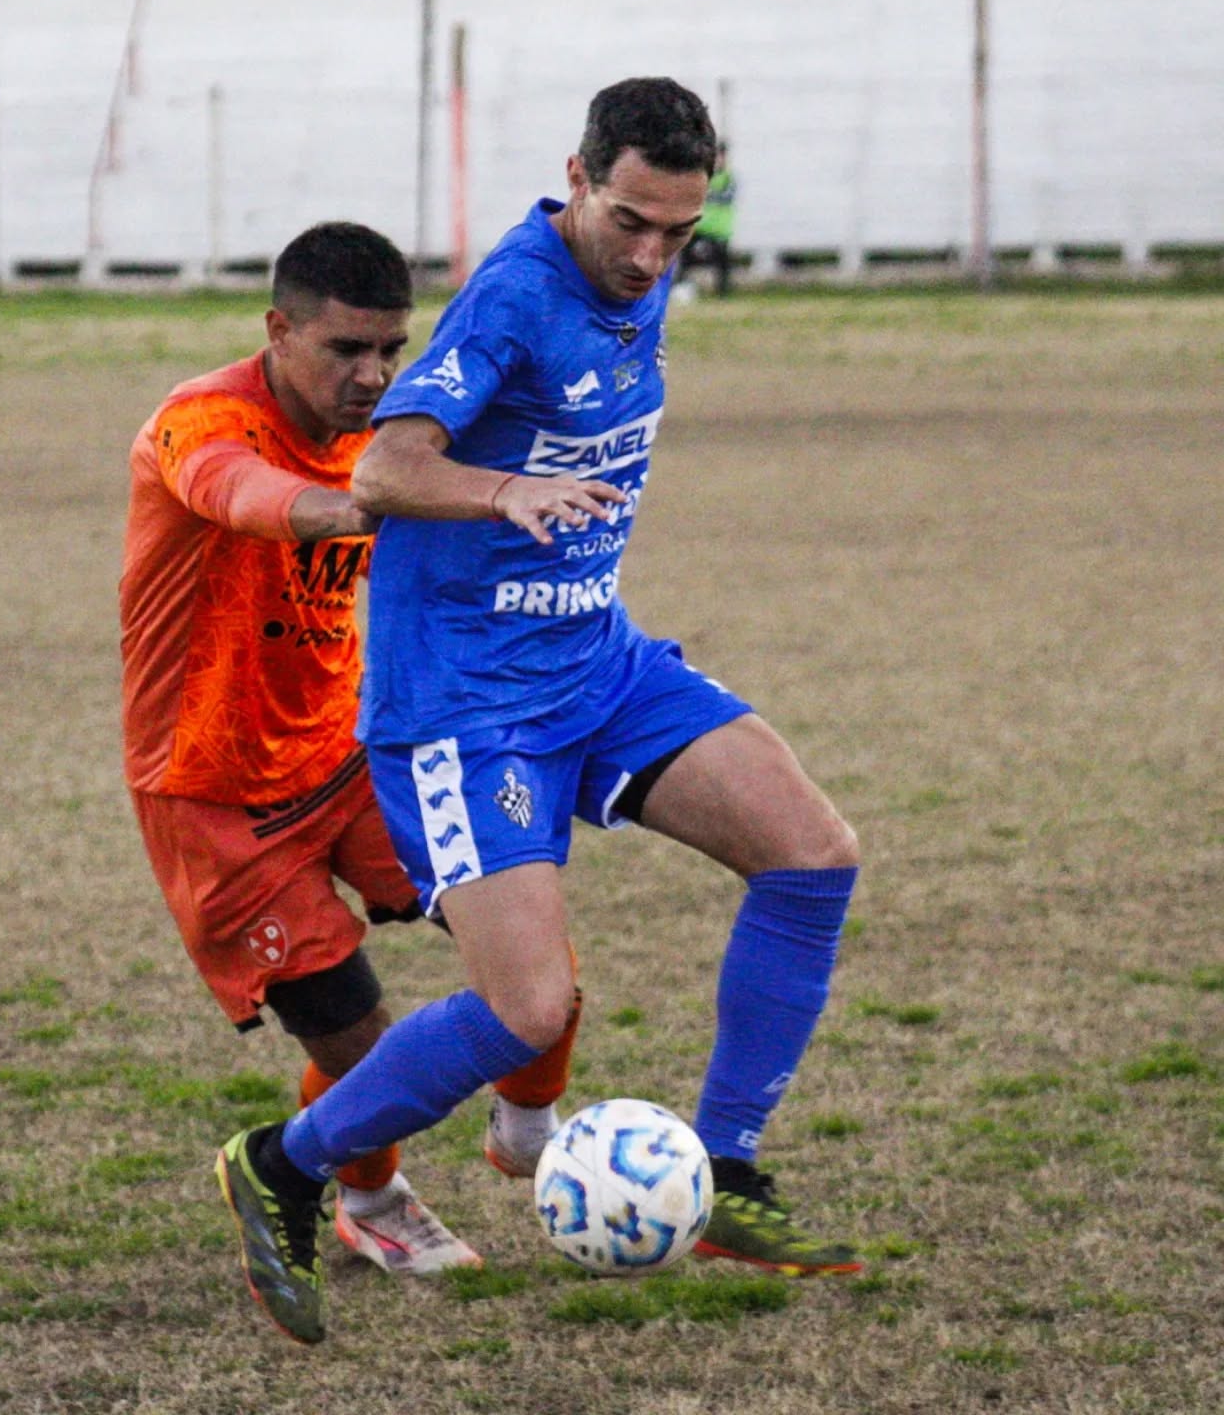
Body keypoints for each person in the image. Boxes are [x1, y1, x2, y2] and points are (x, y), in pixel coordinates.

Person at [224, 80, 862, 1346]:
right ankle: (285, 1166)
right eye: (629, 219)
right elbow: (387, 467)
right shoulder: (517, 293)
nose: (648, 256)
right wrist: (507, 488)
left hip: (598, 665)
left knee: (812, 855)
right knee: (526, 1012)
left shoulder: (646, 265)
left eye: (678, 232)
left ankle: (724, 1170)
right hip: (469, 708)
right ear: (576, 175)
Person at [119, 222, 583, 1335]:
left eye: (391, 349)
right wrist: (358, 501)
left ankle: (529, 1127)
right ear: (279, 331)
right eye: (345, 351)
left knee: (538, 962)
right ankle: (371, 1198)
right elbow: (239, 493)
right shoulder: (204, 421)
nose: (372, 376)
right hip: (216, 794)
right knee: (363, 1046)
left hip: (351, 757)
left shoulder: (394, 420)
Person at [681, 139, 737, 294]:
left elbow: (726, 197)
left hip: (720, 228)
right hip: (700, 225)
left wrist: (707, 195)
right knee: (686, 258)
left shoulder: (728, 178)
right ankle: (681, 286)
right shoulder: (703, 176)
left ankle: (723, 293)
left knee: (722, 263)